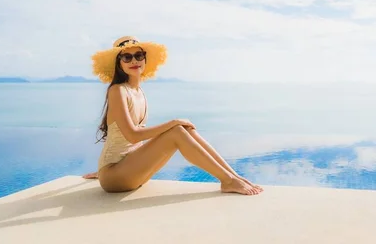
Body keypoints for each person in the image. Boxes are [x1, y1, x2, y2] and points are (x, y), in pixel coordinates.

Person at [81, 36, 262, 195]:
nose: (134, 60)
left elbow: (134, 143)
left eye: (139, 55)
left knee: (185, 130)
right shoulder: (117, 90)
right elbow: (132, 135)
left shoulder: (139, 91)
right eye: (126, 57)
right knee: (176, 130)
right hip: (115, 176)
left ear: (145, 59)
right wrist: (173, 122)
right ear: (118, 63)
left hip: (129, 168)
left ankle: (233, 176)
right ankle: (227, 181)